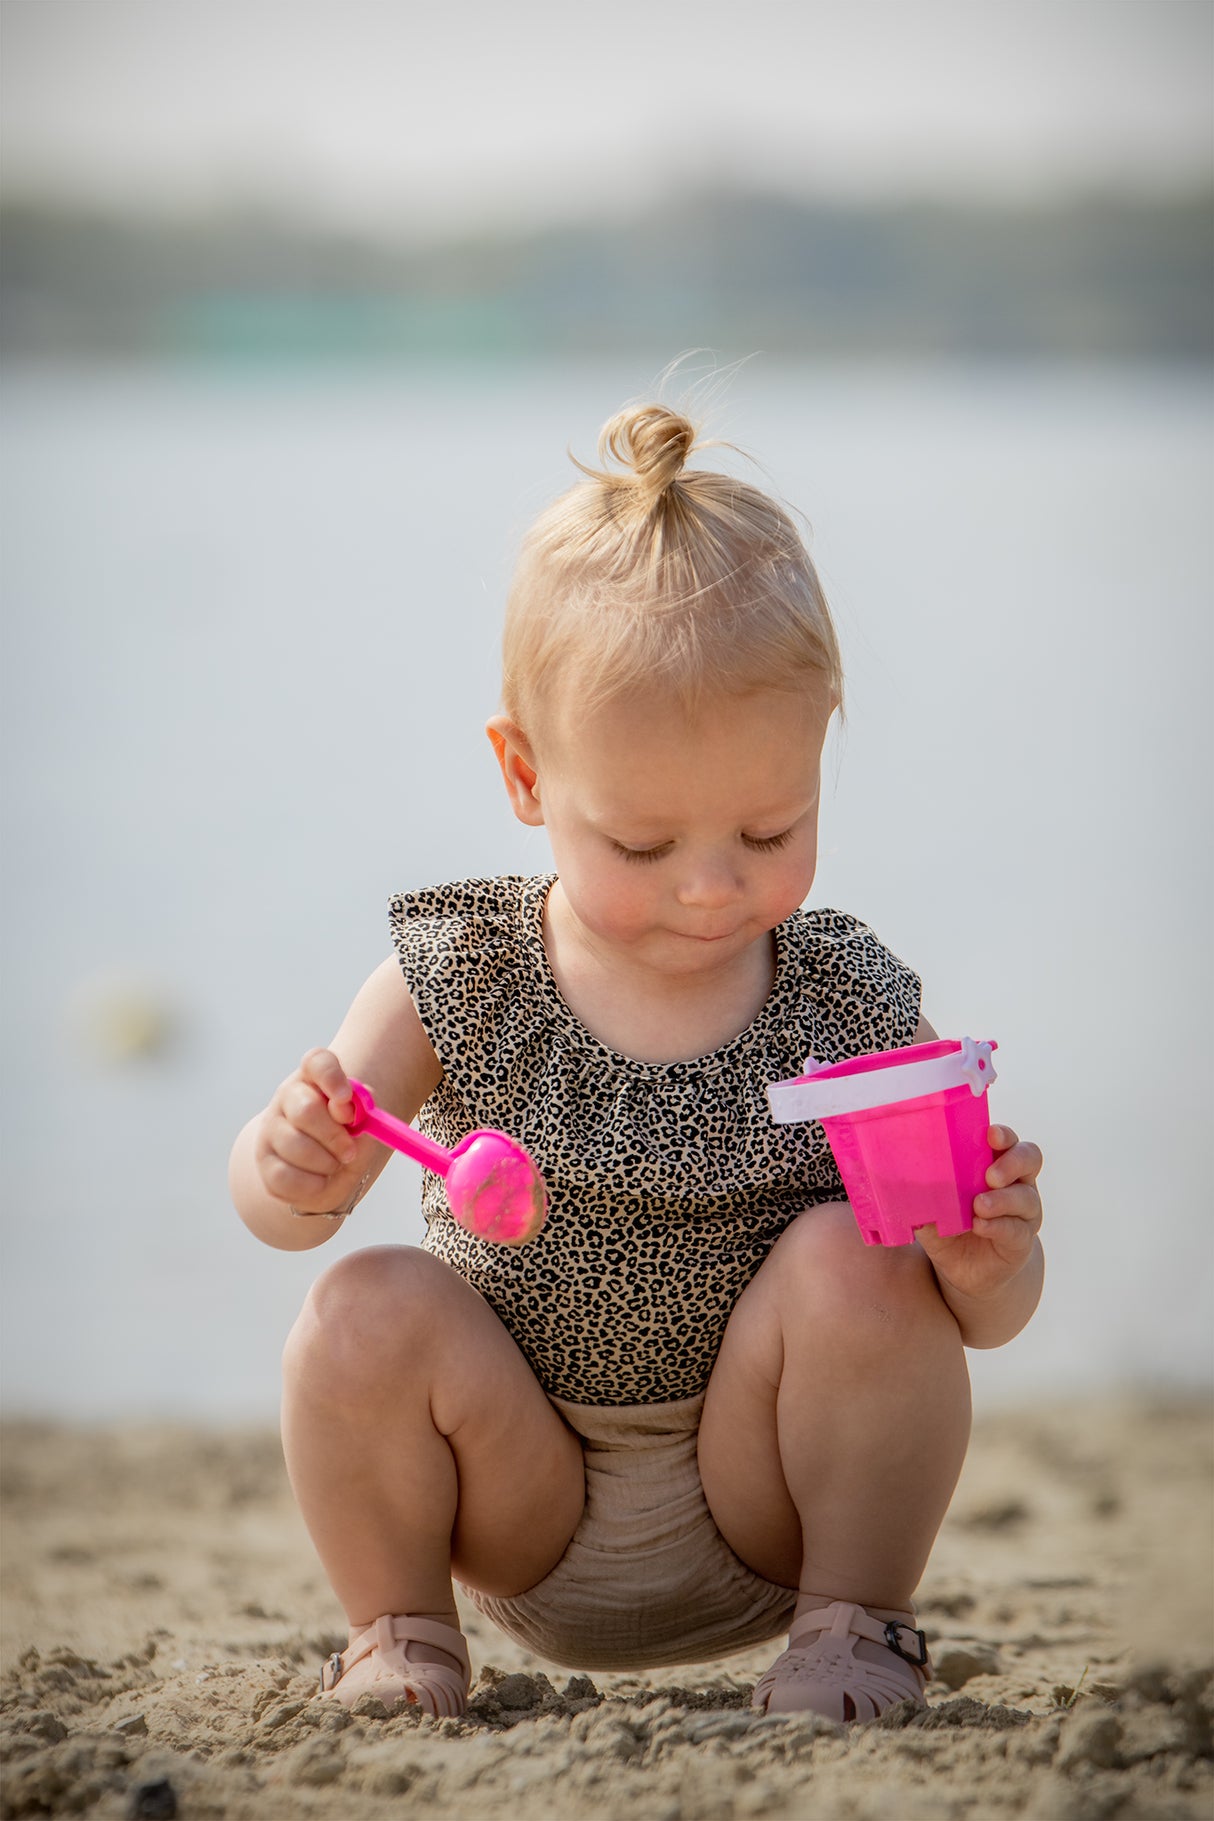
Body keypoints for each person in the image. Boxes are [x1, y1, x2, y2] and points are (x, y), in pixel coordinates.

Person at [229, 401, 1044, 1725]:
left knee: (860, 1257)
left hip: (771, 1495)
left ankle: (857, 1624)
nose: (712, 888)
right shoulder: (464, 972)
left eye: (769, 829)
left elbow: (974, 1320)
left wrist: (989, 1260)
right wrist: (288, 1162)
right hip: (520, 1492)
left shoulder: (843, 994)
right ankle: (398, 1630)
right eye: (644, 846)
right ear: (524, 775)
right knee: (360, 1302)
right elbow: (287, 1214)